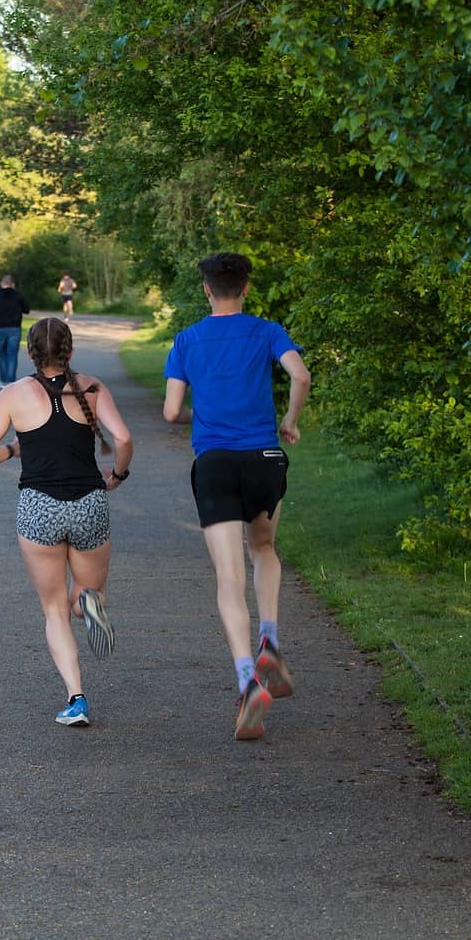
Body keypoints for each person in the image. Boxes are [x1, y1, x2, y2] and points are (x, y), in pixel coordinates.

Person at [162, 252, 311, 741]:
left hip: (216, 463)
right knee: (263, 548)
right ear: (245, 289)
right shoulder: (268, 331)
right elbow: (301, 375)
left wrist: (201, 417)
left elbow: (170, 412)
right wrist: (288, 421)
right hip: (265, 459)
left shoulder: (187, 340)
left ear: (206, 289)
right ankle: (270, 635)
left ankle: (248, 679)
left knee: (229, 577)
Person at [0, 316, 133, 727]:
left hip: (39, 507)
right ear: (70, 352)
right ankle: (89, 602)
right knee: (85, 592)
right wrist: (117, 475)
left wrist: (13, 449)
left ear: (29, 353)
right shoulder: (92, 388)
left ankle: (76, 698)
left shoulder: (12, 395)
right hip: (89, 502)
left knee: (52, 609)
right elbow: (125, 440)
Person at [0, 274, 30, 386]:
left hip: (0, 328)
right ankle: (11, 381)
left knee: (2, 354)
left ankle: (3, 380)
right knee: (12, 355)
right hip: (14, 328)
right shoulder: (18, 295)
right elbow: (27, 309)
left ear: (2, 283)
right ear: (13, 284)